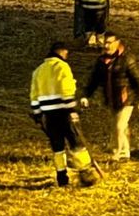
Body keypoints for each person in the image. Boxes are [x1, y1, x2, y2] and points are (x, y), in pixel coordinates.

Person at [30, 40, 100, 187]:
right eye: (67, 52)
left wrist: (37, 114)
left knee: (57, 146)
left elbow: (34, 95)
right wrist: (72, 110)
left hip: (48, 114)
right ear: (61, 52)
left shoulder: (39, 70)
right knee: (76, 142)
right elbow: (67, 90)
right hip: (63, 112)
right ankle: (85, 173)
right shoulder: (62, 67)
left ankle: (62, 176)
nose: (67, 55)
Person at [80, 32, 139, 161]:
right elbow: (94, 80)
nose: (106, 46)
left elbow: (137, 79)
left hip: (126, 99)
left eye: (109, 43)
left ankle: (117, 153)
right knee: (119, 127)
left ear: (117, 43)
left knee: (119, 126)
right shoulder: (101, 61)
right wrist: (85, 95)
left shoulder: (127, 59)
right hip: (111, 99)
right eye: (105, 42)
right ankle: (126, 152)